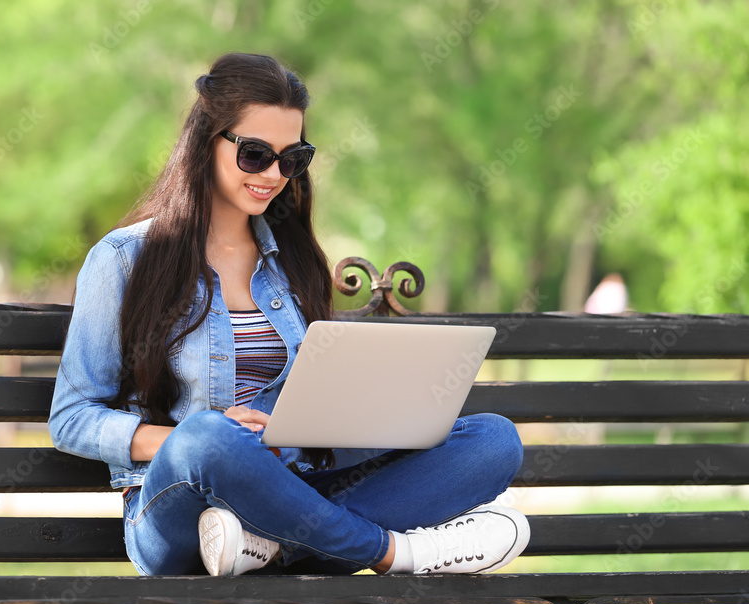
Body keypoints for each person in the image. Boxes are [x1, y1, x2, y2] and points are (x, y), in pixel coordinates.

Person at [49, 52, 529, 577]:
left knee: (493, 440)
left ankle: (269, 548)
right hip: (177, 510)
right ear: (204, 144)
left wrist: (365, 416)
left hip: (295, 487)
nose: (274, 174)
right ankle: (394, 553)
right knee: (211, 436)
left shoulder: (294, 261)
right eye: (254, 154)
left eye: (291, 158)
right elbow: (72, 419)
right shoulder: (124, 259)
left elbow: (314, 413)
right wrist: (197, 440)